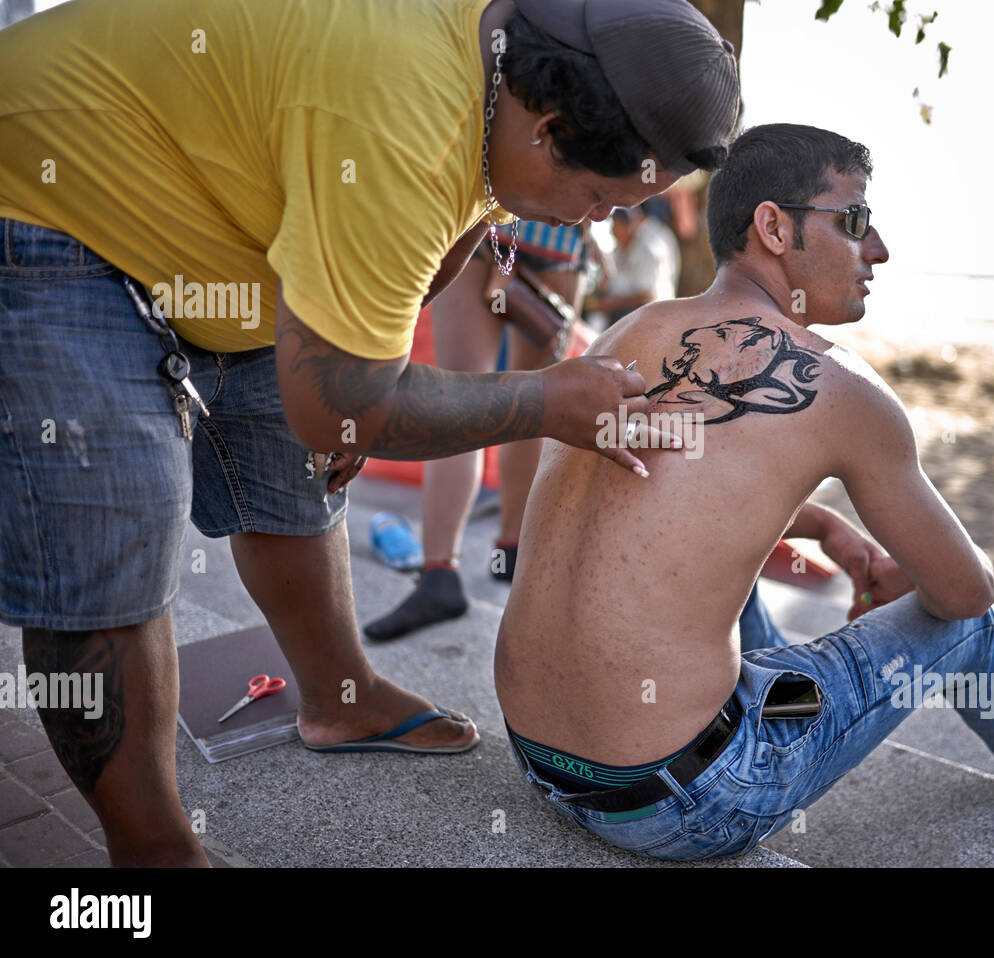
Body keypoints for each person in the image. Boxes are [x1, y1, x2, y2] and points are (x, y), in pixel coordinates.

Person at [0, 0, 738, 865]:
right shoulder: (400, 117)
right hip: (47, 192)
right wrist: (538, 400)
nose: (601, 221)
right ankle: (153, 845)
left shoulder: (515, 52)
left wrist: (367, 386)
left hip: (221, 212)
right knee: (119, 521)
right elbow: (343, 391)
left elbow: (465, 218)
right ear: (548, 128)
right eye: (606, 197)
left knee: (292, 460)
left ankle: (337, 697)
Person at [494, 123, 994, 861]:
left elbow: (688, 481)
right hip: (685, 804)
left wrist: (825, 527)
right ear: (773, 226)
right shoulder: (841, 386)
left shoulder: (629, 333)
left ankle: (771, 690)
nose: (879, 250)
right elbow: (965, 594)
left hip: (544, 763)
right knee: (970, 626)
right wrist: (915, 586)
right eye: (856, 221)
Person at [363, 221, 590, 640]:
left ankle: (442, 572)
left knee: (460, 398)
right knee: (531, 406)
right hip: (554, 241)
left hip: (488, 233)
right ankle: (509, 553)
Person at [584, 206, 681, 327]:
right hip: (621, 310)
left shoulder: (647, 251)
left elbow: (647, 296)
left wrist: (612, 304)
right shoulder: (618, 251)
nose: (613, 231)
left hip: (645, 314)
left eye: (616, 226)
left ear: (628, 227)